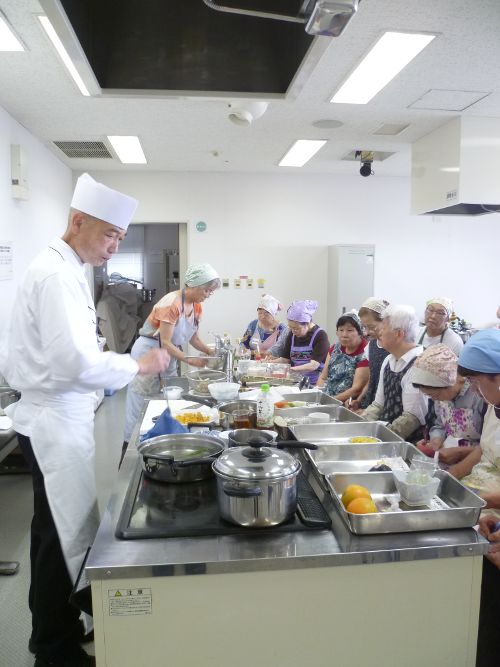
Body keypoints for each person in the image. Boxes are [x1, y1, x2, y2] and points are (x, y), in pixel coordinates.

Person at [0, 173, 171, 667]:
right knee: (62, 535)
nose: (114, 247)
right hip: (54, 422)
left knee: (55, 532)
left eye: (120, 237)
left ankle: (59, 626)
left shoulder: (67, 267)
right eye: (108, 235)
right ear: (78, 221)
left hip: (58, 416)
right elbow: (73, 363)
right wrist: (138, 363)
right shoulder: (56, 273)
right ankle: (53, 649)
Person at [123, 264, 221, 445]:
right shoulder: (172, 303)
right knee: (142, 397)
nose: (208, 295)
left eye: (211, 292)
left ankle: (160, 439)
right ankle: (131, 443)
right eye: (207, 290)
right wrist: (191, 360)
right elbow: (165, 342)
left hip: (169, 353)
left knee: (167, 396)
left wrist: (210, 352)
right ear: (193, 285)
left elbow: (194, 339)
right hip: (149, 350)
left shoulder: (196, 307)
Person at [447, 330, 500, 520]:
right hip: (476, 496)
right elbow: (482, 451)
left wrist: (477, 501)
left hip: (489, 508)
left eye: (474, 381)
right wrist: (448, 477)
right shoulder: (494, 407)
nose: (473, 389)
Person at [360, 305, 428, 441]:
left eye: (384, 327)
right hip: (387, 434)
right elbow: (378, 405)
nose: (379, 331)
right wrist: (359, 425)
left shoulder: (419, 364)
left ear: (399, 334)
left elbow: (411, 419)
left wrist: (376, 440)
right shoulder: (389, 359)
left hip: (408, 441)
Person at [410, 343, 485, 464]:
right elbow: (440, 425)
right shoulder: (440, 397)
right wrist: (435, 443)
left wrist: (461, 453)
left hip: (479, 459)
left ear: (449, 383)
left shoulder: (481, 396)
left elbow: (492, 447)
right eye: (429, 396)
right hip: (450, 452)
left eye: (435, 395)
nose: (434, 400)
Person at [272, 300, 330, 385]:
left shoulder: (320, 336)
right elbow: (285, 359)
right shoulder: (292, 334)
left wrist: (290, 370)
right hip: (296, 381)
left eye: (296, 328)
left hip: (315, 383)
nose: (293, 331)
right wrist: (266, 364)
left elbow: (313, 365)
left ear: (307, 323)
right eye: (290, 327)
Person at [347, 298, 390, 411]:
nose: (368, 332)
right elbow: (372, 378)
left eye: (371, 327)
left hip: (386, 405)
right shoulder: (371, 346)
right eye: (364, 327)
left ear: (386, 321)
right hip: (371, 402)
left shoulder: (392, 347)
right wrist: (359, 400)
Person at [317, 311, 369, 402]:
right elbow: (323, 377)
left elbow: (356, 389)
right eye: (341, 330)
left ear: (360, 333)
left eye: (350, 330)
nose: (344, 335)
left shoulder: (365, 354)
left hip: (345, 403)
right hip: (325, 397)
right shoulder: (335, 348)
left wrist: (330, 401)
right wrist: (317, 396)